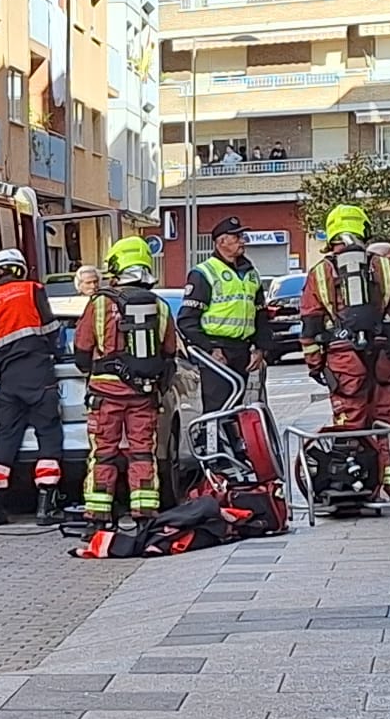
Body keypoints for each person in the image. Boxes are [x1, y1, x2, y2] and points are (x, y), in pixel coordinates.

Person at [298, 204, 390, 500]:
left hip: (343, 360)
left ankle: (354, 486)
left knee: (350, 423)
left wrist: (316, 364)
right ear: (364, 230)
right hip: (387, 357)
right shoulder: (385, 266)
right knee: (388, 421)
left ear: (331, 235)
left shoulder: (320, 274)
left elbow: (309, 325)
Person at [74, 236, 178, 525]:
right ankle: (144, 514)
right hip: (144, 395)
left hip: (105, 396)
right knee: (143, 453)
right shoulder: (160, 306)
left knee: (103, 454)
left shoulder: (99, 305)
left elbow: (82, 352)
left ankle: (98, 517)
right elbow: (170, 351)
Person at [0, 248, 64, 528]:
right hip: (39, 376)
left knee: (6, 439)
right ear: (20, 270)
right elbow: (51, 332)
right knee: (48, 434)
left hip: (9, 381)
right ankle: (45, 507)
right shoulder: (34, 290)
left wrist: (2, 353)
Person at [177, 214, 271, 414]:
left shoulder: (251, 273)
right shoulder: (204, 273)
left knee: (239, 409)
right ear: (221, 242)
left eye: (242, 237)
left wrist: (260, 348)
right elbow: (186, 320)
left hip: (243, 350)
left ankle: (235, 443)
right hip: (217, 352)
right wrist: (210, 349)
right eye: (236, 238)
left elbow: (261, 315)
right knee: (218, 408)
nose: (242, 242)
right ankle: (213, 443)